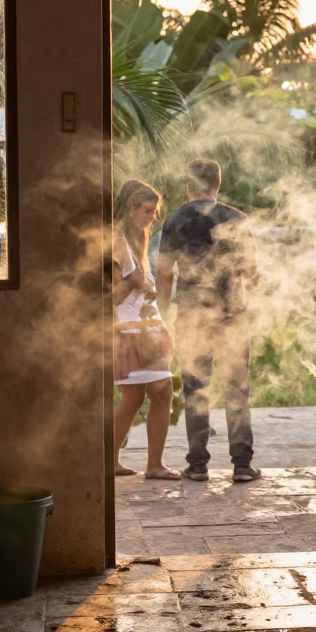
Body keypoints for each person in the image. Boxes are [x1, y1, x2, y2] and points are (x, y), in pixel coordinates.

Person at [157, 158, 261, 483]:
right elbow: (252, 271)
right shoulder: (236, 218)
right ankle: (242, 465)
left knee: (195, 388)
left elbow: (163, 276)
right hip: (232, 318)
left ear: (188, 184)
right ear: (218, 183)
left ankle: (198, 464)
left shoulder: (174, 220)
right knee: (236, 390)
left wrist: (163, 316)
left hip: (191, 319)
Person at [111, 179, 179, 480]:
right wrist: (133, 283)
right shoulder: (114, 238)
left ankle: (150, 464)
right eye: (148, 211)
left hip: (146, 325)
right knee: (144, 396)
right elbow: (106, 294)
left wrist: (146, 288)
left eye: (155, 211)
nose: (153, 217)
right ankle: (119, 462)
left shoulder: (136, 237)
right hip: (128, 331)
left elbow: (136, 282)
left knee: (153, 395)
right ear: (131, 206)